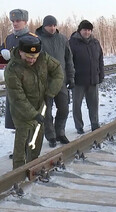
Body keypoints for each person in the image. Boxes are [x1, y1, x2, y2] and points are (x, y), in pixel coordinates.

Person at [4, 35, 64, 169]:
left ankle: (33, 167)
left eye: (35, 57)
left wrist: (50, 93)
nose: (32, 60)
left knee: (37, 138)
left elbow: (58, 71)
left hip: (40, 105)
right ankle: (18, 171)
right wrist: (33, 114)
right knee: (22, 139)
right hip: (21, 110)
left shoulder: (43, 58)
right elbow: (17, 98)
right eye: (28, 57)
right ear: (20, 52)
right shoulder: (12, 69)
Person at [36, 15, 75, 148]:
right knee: (46, 111)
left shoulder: (62, 39)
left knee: (64, 108)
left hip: (61, 81)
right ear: (44, 26)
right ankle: (51, 135)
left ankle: (60, 132)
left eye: (54, 25)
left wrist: (71, 77)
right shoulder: (38, 39)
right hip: (45, 82)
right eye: (49, 25)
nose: (52, 28)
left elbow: (69, 59)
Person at [0, 9, 34, 159]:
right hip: (13, 85)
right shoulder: (9, 39)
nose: (15, 23)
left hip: (27, 85)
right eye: (13, 21)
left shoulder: (33, 39)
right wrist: (2, 52)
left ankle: (28, 149)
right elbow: (2, 60)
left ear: (25, 21)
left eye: (18, 21)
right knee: (16, 120)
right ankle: (20, 150)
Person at [69, 20, 104, 134]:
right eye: (85, 30)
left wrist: (101, 75)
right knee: (77, 105)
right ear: (80, 30)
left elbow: (100, 60)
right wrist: (70, 78)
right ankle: (79, 126)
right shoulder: (72, 43)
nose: (87, 32)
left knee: (93, 104)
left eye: (89, 30)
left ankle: (95, 124)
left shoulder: (95, 43)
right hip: (78, 80)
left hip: (93, 79)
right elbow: (69, 61)